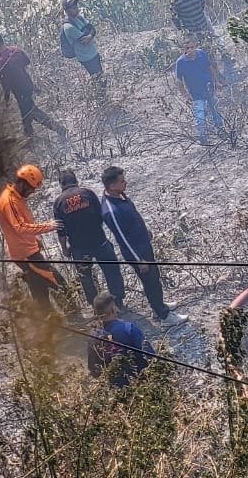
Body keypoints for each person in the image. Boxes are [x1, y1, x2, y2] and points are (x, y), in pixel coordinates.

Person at [100, 166, 187, 327]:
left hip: (144, 246)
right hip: (137, 253)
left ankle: (159, 305)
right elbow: (123, 238)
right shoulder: (110, 210)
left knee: (154, 278)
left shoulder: (120, 196)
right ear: (111, 186)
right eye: (121, 181)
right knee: (150, 282)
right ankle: (164, 316)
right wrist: (139, 259)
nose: (125, 182)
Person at [0, 164, 76, 313]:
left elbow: (22, 227)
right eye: (31, 188)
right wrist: (49, 226)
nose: (32, 191)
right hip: (26, 255)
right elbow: (20, 227)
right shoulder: (9, 201)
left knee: (39, 289)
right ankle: (75, 315)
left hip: (27, 250)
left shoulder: (17, 197)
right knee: (58, 282)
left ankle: (51, 324)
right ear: (22, 183)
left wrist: (35, 241)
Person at [54, 170, 126, 312]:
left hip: (79, 247)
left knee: (86, 278)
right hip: (99, 242)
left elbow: (60, 229)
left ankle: (96, 308)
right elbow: (101, 215)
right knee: (112, 271)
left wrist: (64, 248)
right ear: (76, 180)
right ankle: (118, 303)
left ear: (61, 184)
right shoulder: (88, 193)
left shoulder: (59, 202)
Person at [0, 31, 67, 139]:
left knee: (32, 113)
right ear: (2, 40)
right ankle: (30, 137)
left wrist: (6, 99)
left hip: (19, 92)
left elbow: (5, 84)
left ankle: (60, 130)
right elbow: (27, 62)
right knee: (26, 115)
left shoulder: (0, 62)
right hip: (28, 85)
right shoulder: (16, 50)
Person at [87, 293, 154, 388]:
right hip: (138, 381)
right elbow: (149, 354)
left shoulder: (93, 335)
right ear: (113, 309)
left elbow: (93, 368)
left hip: (113, 387)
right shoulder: (128, 329)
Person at [173, 37, 225, 146]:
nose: (191, 50)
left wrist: (216, 82)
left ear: (195, 46)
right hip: (195, 93)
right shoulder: (181, 62)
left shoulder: (201, 54)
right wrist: (185, 95)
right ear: (184, 49)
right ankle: (203, 137)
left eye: (192, 47)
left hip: (209, 88)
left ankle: (221, 132)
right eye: (188, 48)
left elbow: (210, 68)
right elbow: (178, 81)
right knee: (200, 116)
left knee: (216, 111)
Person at [61, 0, 105, 89]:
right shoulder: (68, 27)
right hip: (86, 57)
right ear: (67, 11)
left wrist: (89, 35)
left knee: (100, 78)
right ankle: (100, 101)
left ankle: (101, 99)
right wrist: (89, 33)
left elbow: (92, 29)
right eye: (73, 8)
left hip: (93, 52)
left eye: (76, 7)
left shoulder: (79, 18)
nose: (76, 9)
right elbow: (84, 38)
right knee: (99, 79)